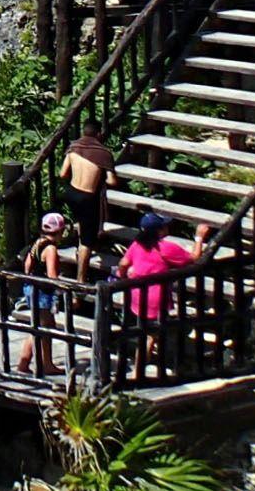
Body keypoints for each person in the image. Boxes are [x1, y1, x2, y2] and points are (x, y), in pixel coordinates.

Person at [116, 211, 203, 375]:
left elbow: (123, 263)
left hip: (137, 295)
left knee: (146, 329)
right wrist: (199, 237)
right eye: (164, 225)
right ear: (158, 231)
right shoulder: (166, 248)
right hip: (156, 298)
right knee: (149, 335)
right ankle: (139, 370)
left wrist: (123, 278)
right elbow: (194, 257)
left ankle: (143, 363)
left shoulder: (137, 244)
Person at [56, 122, 116, 281]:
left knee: (82, 223)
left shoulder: (73, 147)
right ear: (99, 133)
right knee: (87, 242)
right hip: (88, 197)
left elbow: (62, 174)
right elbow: (112, 181)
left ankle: (79, 250)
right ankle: (81, 279)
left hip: (71, 193)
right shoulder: (103, 153)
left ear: (83, 132)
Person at [16, 212, 68, 375]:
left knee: (40, 326)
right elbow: (52, 275)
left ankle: (28, 363)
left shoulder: (37, 243)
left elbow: (27, 267)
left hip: (31, 288)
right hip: (43, 293)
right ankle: (43, 364)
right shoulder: (51, 249)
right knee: (44, 328)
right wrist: (62, 287)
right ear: (60, 231)